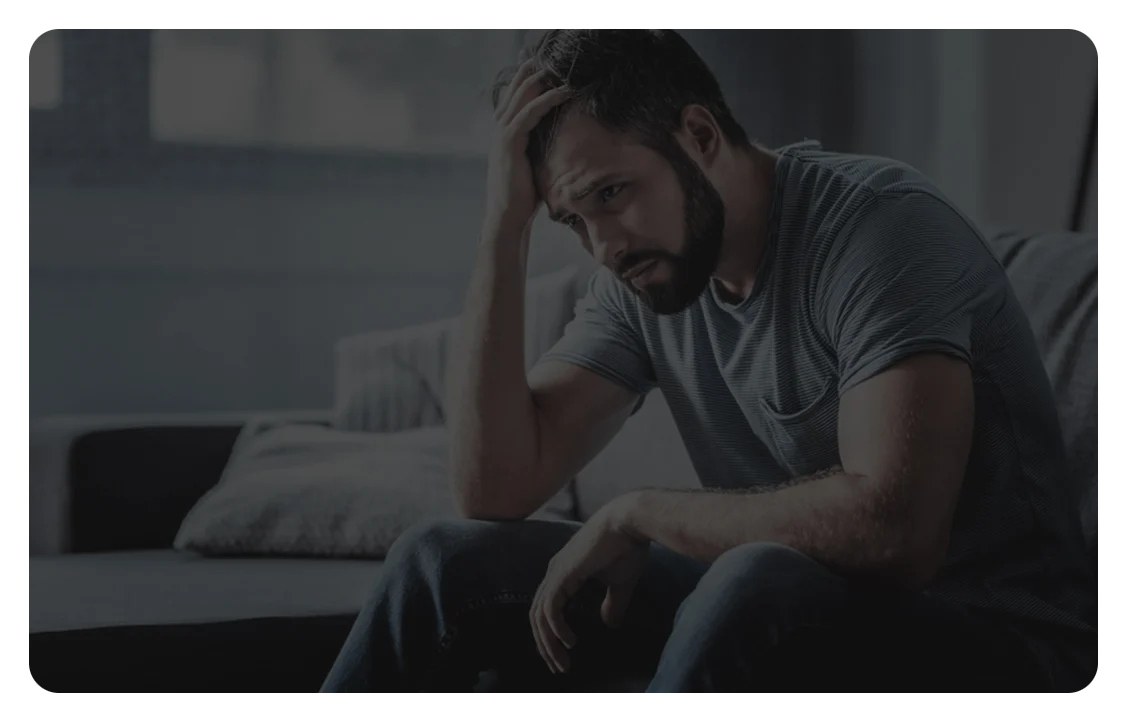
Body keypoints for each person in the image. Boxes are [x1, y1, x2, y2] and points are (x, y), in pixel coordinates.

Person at [319, 29, 1097, 693]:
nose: (603, 245)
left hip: (999, 639)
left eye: (612, 193)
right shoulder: (641, 275)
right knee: (442, 562)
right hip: (785, 604)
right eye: (571, 220)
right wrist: (502, 230)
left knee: (752, 579)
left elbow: (895, 534)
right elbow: (493, 488)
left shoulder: (880, 231)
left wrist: (639, 512)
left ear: (698, 135)